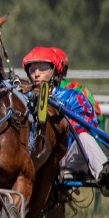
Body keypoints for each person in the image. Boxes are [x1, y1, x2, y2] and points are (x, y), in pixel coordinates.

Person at [22, 46, 109, 193]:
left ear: (54, 71)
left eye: (42, 69)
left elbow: (85, 126)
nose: (36, 74)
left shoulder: (72, 97)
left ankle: (105, 176)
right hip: (32, 158)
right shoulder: (22, 98)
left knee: (84, 137)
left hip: (66, 158)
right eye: (32, 70)